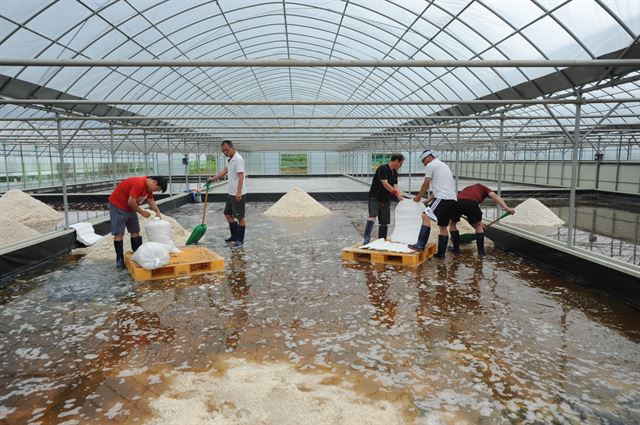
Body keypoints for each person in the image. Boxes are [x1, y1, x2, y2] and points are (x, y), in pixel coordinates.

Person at [108, 175, 167, 268]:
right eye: (157, 189)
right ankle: (119, 259)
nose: (155, 191)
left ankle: (138, 254)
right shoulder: (139, 183)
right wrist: (142, 212)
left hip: (130, 207)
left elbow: (151, 201)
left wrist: (157, 211)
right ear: (154, 182)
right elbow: (131, 202)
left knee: (135, 231)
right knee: (119, 233)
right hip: (118, 205)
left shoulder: (148, 189)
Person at [409, 150, 457, 258]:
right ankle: (441, 254)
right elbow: (439, 188)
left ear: (429, 157)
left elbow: (426, 184)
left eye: (424, 161)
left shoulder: (431, 165)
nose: (424, 164)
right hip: (451, 200)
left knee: (425, 215)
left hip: (442, 199)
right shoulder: (443, 165)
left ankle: (420, 245)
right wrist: (428, 201)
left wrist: (418, 197)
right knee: (443, 226)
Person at [449, 183, 516, 256]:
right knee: (478, 227)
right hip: (471, 203)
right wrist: (507, 208)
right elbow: (495, 196)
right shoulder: (484, 188)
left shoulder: (467, 189)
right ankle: (481, 252)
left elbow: (467, 209)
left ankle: (456, 249)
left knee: (452, 224)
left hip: (457, 202)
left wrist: (478, 222)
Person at [208, 140, 247, 247]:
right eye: (223, 150)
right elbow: (225, 170)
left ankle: (240, 240)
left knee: (239, 217)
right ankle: (234, 236)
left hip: (237, 194)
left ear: (231, 148)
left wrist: (239, 192)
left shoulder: (238, 159)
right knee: (227, 214)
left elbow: (241, 176)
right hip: (231, 193)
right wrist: (214, 178)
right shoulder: (231, 159)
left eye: (226, 150)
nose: (225, 152)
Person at [363, 154, 404, 244]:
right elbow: (385, 184)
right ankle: (366, 238)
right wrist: (396, 193)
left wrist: (399, 194)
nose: (401, 166)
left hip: (385, 199)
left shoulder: (394, 172)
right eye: (401, 163)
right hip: (375, 197)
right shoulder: (383, 169)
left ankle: (382, 240)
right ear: (396, 161)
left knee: (384, 221)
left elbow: (394, 185)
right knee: (372, 215)